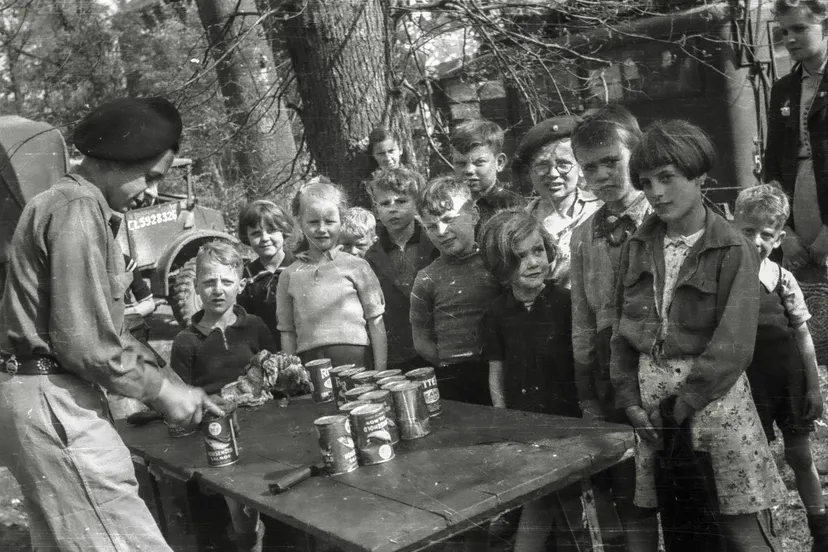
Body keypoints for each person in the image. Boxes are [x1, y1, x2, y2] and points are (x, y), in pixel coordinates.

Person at [0, 97, 222, 551]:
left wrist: (174, 383)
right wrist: (164, 393)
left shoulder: (75, 206)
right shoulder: (76, 207)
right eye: (152, 176)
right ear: (119, 160)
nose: (153, 192)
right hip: (53, 400)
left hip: (38, 396)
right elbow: (86, 344)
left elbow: (109, 330)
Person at [612, 119, 784, 551]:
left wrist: (684, 403)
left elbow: (734, 345)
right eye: (646, 182)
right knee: (684, 527)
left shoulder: (731, 247)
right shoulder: (637, 246)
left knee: (742, 529)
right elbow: (622, 331)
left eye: (667, 178)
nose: (655, 192)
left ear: (699, 176)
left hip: (714, 405)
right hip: (653, 413)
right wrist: (631, 401)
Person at [569, 104, 657, 548]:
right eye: (590, 167)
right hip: (609, 367)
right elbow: (582, 319)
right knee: (629, 488)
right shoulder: (582, 235)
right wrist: (586, 388)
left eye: (611, 162)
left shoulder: (662, 218)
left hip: (660, 363)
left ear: (635, 155)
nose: (602, 174)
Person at [479, 210, 587, 551]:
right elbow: (496, 369)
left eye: (537, 250)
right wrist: (503, 417)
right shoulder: (496, 312)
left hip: (566, 418)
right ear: (501, 266)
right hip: (524, 421)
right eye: (520, 256)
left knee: (570, 499)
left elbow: (581, 364)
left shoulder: (566, 303)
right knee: (536, 496)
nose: (532, 262)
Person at [733, 184, 828, 550]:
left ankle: (820, 524)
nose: (757, 241)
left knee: (800, 455)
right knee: (755, 459)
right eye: (748, 232)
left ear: (780, 238)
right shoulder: (729, 277)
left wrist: (814, 386)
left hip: (789, 380)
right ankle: (765, 532)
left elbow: (803, 335)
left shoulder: (783, 278)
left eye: (767, 235)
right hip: (748, 384)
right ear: (734, 227)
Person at [170, 241, 273, 551]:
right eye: (209, 282)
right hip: (219, 438)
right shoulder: (186, 341)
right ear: (197, 288)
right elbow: (180, 401)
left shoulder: (254, 327)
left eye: (227, 282)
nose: (218, 290)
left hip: (264, 432)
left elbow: (273, 370)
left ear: (240, 286)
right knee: (240, 515)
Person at [276, 178, 387, 370]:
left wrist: (380, 371)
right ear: (300, 223)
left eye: (329, 221)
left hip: (358, 362)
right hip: (310, 365)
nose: (321, 229)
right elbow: (287, 332)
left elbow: (376, 321)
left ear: (341, 221)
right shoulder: (289, 275)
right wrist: (291, 377)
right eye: (312, 222)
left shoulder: (357, 266)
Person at [410, 175, 501, 405]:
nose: (441, 231)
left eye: (449, 219)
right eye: (431, 226)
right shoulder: (426, 278)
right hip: (454, 375)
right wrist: (446, 363)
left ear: (474, 215)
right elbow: (421, 340)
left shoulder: (496, 262)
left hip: (500, 368)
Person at [513, 115, 601, 288]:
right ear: (530, 172)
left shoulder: (599, 210)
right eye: (542, 165)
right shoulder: (518, 221)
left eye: (563, 164)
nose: (553, 174)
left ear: (580, 166)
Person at [364, 168, 438, 372]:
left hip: (437, 347)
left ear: (417, 203)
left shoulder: (434, 243)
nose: (393, 209)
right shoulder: (371, 256)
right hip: (398, 354)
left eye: (401, 201)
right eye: (385, 203)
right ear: (376, 209)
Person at [451, 118, 524, 230]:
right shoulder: (448, 205)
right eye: (461, 163)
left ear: (499, 162)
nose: (468, 170)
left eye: (479, 162)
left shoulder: (512, 207)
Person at [236, 199, 293, 345]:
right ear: (246, 237)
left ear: (284, 230)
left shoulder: (299, 267)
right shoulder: (247, 277)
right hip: (265, 353)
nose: (265, 238)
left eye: (272, 230)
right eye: (256, 233)